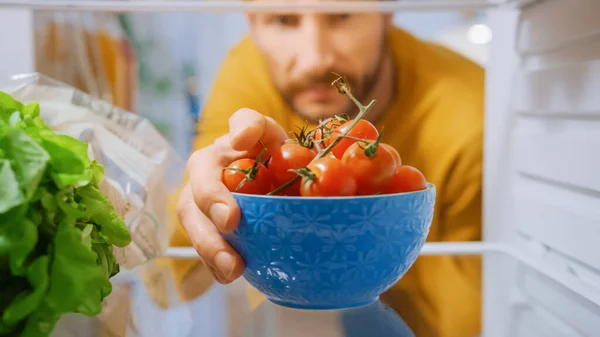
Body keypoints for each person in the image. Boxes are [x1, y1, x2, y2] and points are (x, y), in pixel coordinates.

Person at [166, 1, 484, 336]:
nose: (316, 59)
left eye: (341, 16)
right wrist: (205, 206)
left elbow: (471, 319)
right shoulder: (250, 70)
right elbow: (179, 282)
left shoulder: (469, 115)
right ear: (252, 23)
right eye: (284, 20)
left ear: (387, 13)